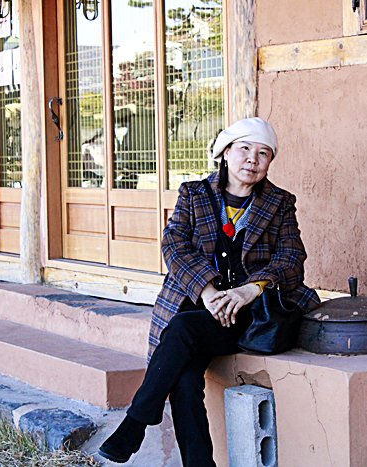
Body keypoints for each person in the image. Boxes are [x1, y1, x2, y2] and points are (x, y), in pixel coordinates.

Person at [98, 117, 320, 466]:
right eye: (244, 149)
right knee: (185, 380)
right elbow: (174, 246)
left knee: (183, 328)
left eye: (263, 153)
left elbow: (292, 259)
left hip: (251, 315)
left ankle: (135, 423)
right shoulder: (194, 194)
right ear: (226, 152)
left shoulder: (279, 203)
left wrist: (249, 290)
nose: (253, 159)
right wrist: (206, 291)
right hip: (201, 306)